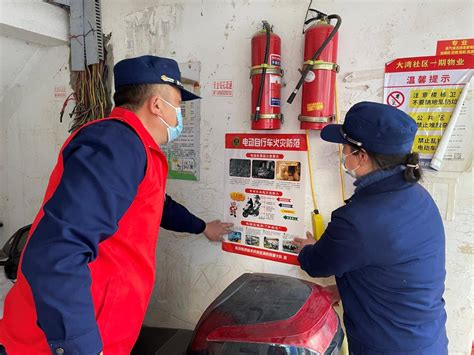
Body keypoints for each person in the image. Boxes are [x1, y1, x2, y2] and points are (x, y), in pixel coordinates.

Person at [0, 55, 221, 355]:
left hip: (105, 329)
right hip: (54, 342)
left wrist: (202, 226)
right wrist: (82, 347)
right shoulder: (117, 144)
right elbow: (56, 253)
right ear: (157, 105)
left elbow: (157, 205)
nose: (180, 115)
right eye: (178, 106)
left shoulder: (139, 148)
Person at [293, 102, 447, 354]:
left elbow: (317, 264)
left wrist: (308, 248)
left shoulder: (357, 220)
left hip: (385, 346)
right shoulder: (417, 196)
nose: (343, 154)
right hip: (426, 339)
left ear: (362, 157)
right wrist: (345, 289)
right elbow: (392, 268)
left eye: (345, 148)